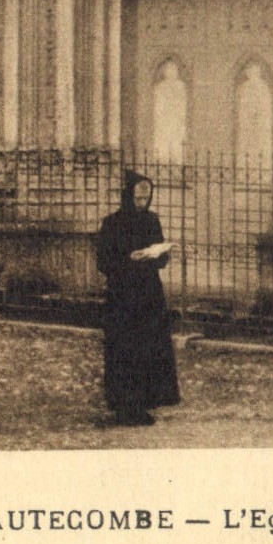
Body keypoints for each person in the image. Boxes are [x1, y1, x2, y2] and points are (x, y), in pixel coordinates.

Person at [95, 171, 180, 427]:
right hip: (122, 296)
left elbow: (162, 259)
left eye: (146, 198)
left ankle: (143, 402)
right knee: (125, 349)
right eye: (138, 198)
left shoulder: (152, 221)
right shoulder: (112, 223)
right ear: (128, 196)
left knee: (148, 348)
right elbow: (103, 261)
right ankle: (124, 404)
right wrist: (127, 260)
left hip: (148, 296)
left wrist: (157, 254)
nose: (142, 203)